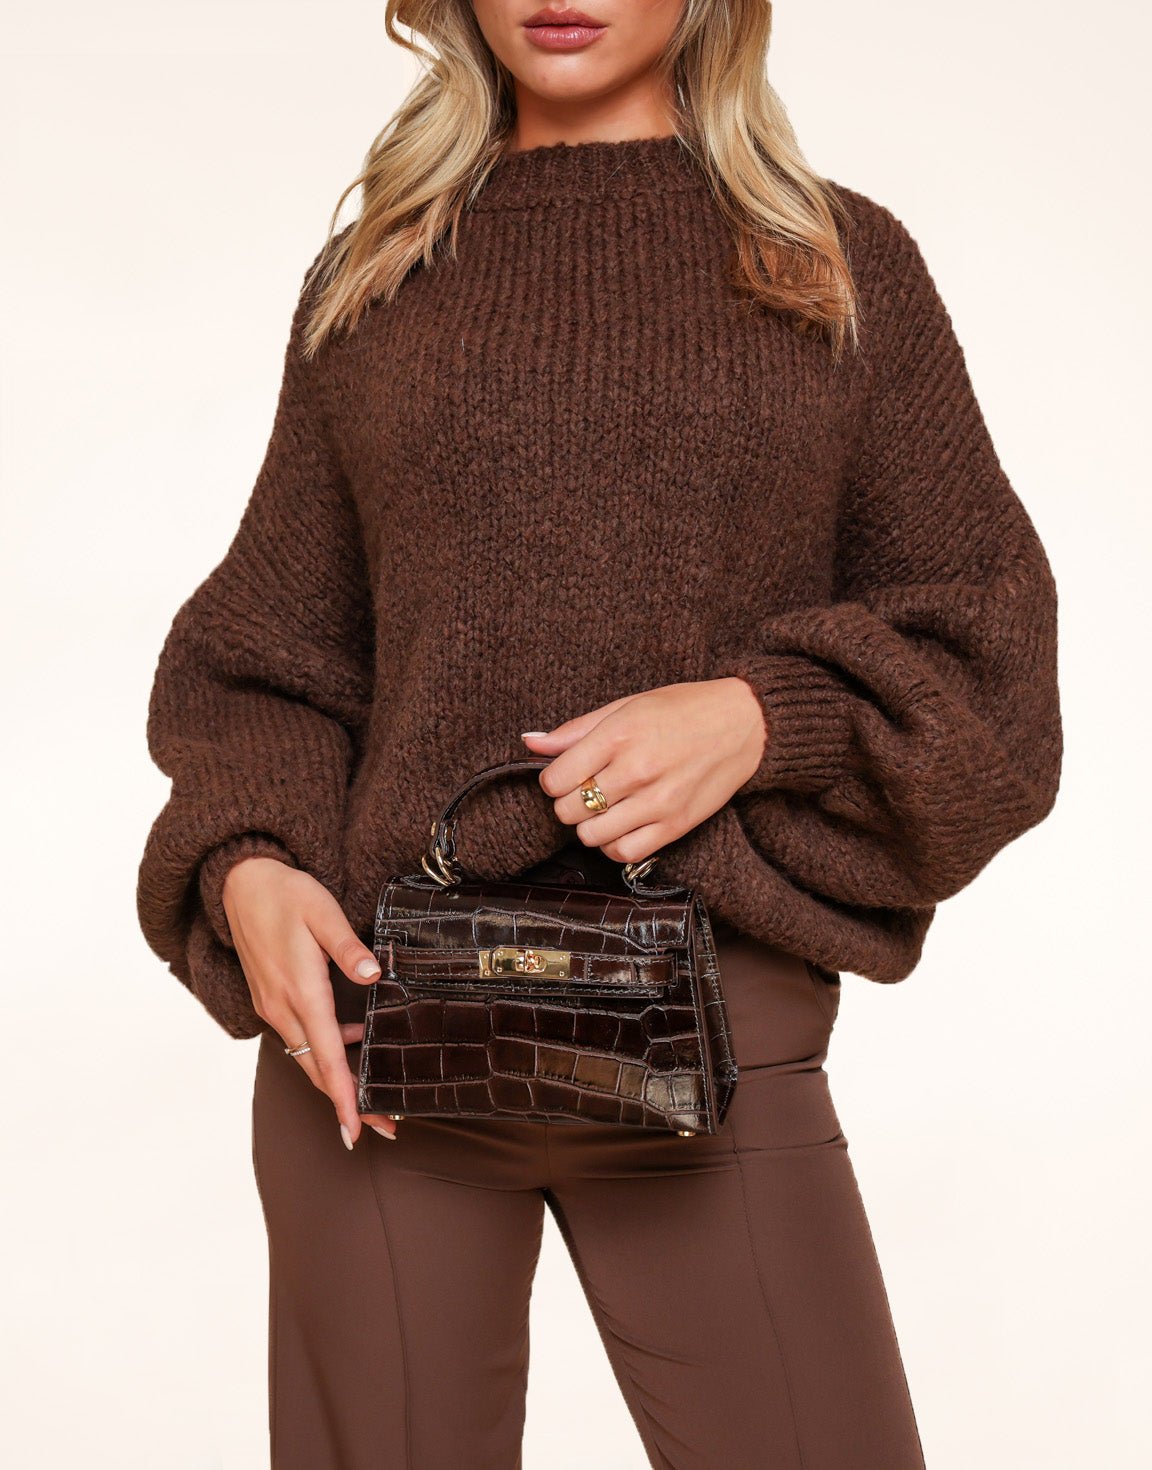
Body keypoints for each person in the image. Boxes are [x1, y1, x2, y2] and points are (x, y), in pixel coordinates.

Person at [135, 2, 1063, 1465]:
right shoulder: (380, 275)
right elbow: (268, 652)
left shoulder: (834, 265)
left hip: (719, 1035)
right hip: (379, 1052)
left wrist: (767, 715)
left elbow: (995, 659)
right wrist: (245, 863)